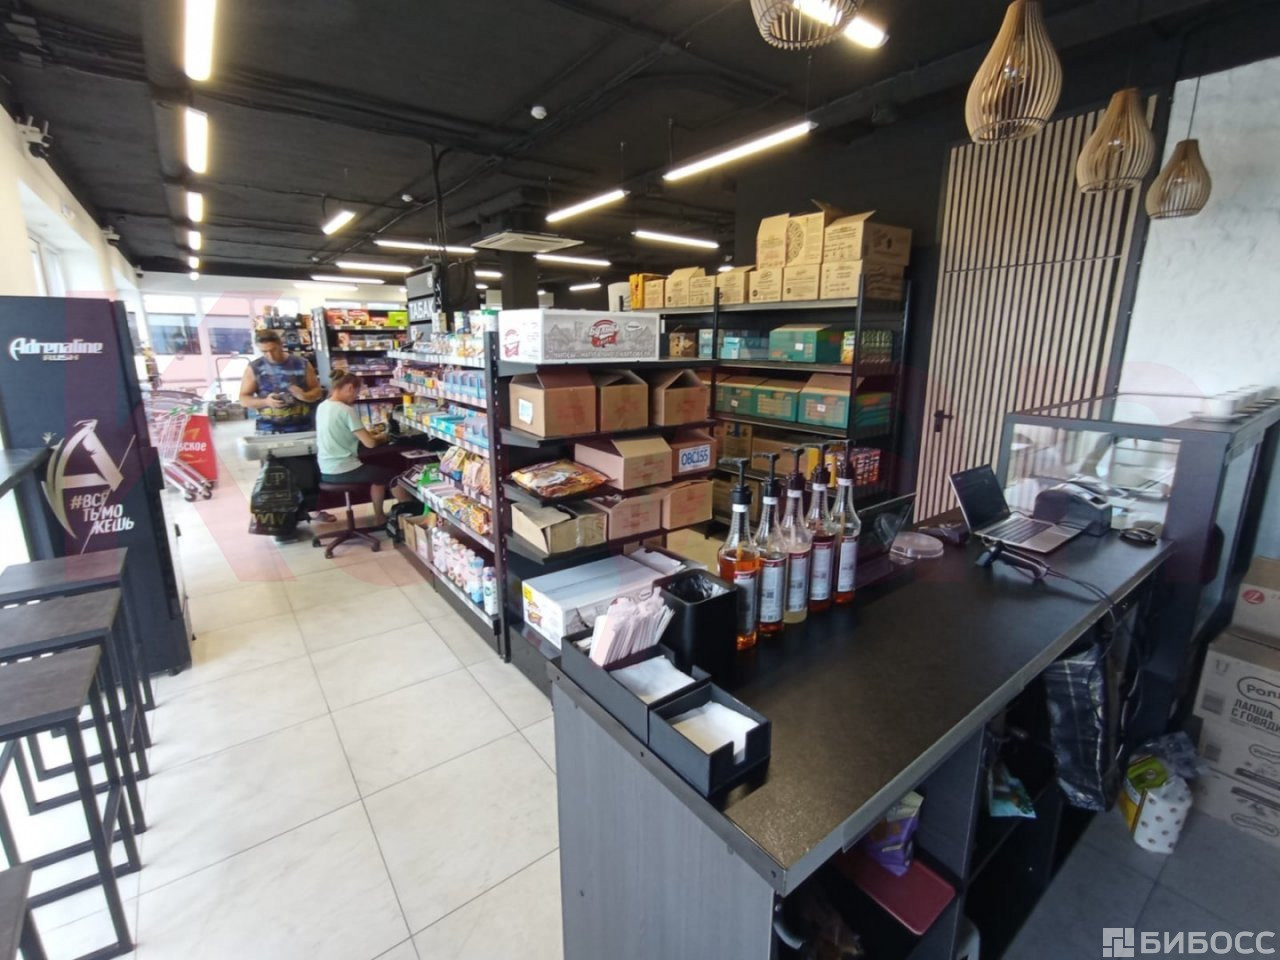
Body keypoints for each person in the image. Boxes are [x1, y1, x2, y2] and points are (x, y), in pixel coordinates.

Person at [316, 373, 410, 526]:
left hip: (326, 469)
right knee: (391, 475)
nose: (356, 397)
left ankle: (380, 517)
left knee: (379, 476)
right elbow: (370, 443)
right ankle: (410, 514)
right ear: (349, 388)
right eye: (356, 392)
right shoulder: (345, 410)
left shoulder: (323, 406)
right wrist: (384, 436)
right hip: (343, 469)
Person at [239, 330, 323, 433]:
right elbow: (243, 399)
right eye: (264, 352)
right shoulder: (254, 367)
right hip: (268, 429)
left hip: (304, 427)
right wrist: (266, 402)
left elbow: (317, 391)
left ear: (281, 345)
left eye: (273, 350)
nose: (270, 355)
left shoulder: (302, 363)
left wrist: (305, 396)